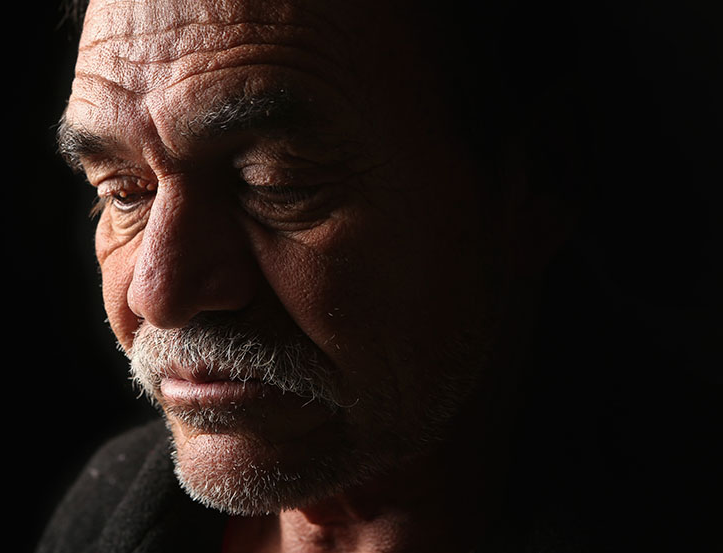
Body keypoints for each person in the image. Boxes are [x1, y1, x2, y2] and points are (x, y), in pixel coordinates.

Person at [37, 0, 720, 552]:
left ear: (536, 182)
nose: (157, 289)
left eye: (275, 180)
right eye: (125, 191)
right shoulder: (107, 509)